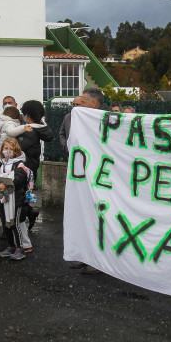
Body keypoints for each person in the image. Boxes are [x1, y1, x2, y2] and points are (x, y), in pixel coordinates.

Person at [58, 88, 104, 274]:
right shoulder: (72, 118)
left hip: (100, 176)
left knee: (97, 217)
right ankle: (82, 255)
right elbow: (65, 135)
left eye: (82, 102)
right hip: (79, 174)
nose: (78, 106)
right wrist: (69, 147)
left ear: (93, 103)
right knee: (80, 214)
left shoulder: (105, 120)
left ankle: (99, 260)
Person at [15, 99, 53, 237]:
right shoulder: (39, 127)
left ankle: (23, 222)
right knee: (24, 196)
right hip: (32, 167)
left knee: (20, 197)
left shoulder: (30, 131)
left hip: (24, 168)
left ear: (28, 115)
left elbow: (18, 149)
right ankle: (30, 213)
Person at [0, 137, 32, 260]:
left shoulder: (20, 164)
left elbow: (18, 179)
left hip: (16, 199)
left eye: (11, 149)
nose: (8, 151)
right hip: (2, 198)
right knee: (5, 224)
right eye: (6, 148)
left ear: (16, 150)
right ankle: (10, 246)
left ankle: (21, 248)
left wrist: (2, 180)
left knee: (15, 223)